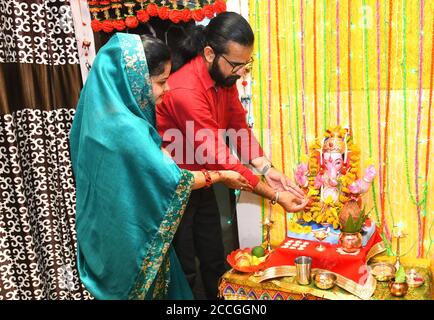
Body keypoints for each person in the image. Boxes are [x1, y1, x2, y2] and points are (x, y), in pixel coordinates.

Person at [69, 32, 251, 300]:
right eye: (161, 82)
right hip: (129, 247)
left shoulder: (98, 118)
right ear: (135, 81)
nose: (167, 89)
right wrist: (222, 175)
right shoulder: (126, 129)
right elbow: (176, 180)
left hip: (102, 239)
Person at [156, 12, 308, 299]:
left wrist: (268, 168)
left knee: (216, 258)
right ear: (210, 53)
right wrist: (275, 196)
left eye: (246, 64)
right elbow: (221, 157)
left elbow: (238, 126)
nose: (241, 72)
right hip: (174, 189)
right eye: (237, 65)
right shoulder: (186, 89)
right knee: (186, 270)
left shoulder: (225, 79)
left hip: (207, 181)